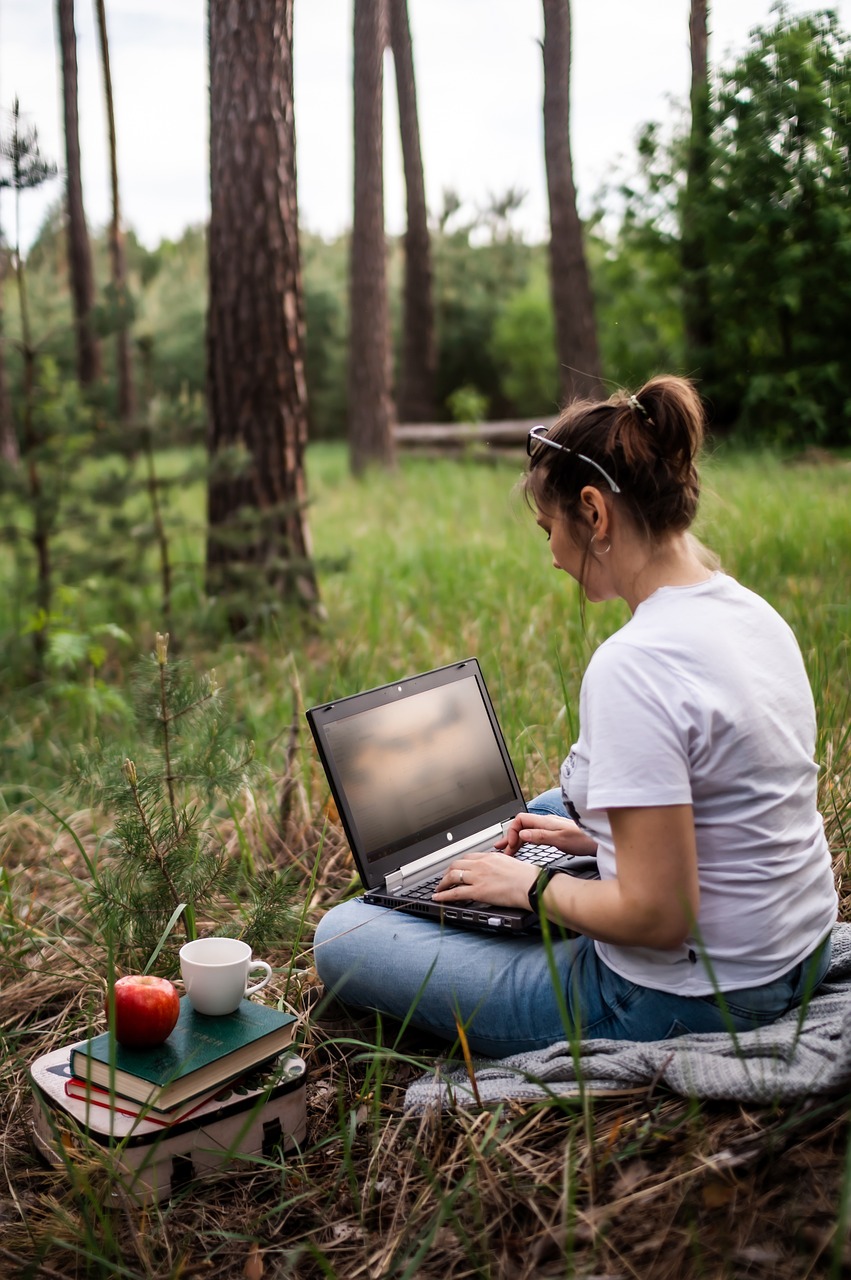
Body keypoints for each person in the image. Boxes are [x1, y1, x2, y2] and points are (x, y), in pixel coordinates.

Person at [313, 376, 837, 1056]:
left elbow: (658, 917)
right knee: (542, 811)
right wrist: (597, 847)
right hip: (799, 949)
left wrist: (531, 887)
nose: (551, 554)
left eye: (547, 528)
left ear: (593, 514)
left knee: (343, 935)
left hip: (690, 997)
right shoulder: (748, 611)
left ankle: (498, 900)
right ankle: (521, 873)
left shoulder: (635, 664)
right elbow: (732, 797)